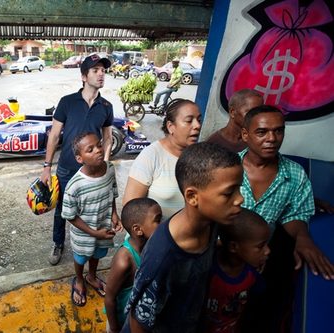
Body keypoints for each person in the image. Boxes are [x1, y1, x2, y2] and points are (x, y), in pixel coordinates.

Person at [122, 142, 244, 333]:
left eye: (239, 189)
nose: (240, 199)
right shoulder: (163, 257)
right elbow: (139, 322)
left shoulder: (212, 222)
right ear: (192, 196)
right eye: (229, 193)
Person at [238, 105, 334, 332]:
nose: (272, 138)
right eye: (262, 132)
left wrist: (302, 236)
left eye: (278, 131)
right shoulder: (227, 167)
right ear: (245, 135)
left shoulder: (295, 174)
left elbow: (295, 215)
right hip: (222, 260)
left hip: (263, 264)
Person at [40, 54, 114, 266]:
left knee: (93, 208)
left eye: (103, 71)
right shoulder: (67, 102)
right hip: (66, 168)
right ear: (84, 76)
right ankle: (58, 242)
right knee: (63, 210)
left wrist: (105, 164)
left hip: (93, 171)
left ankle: (88, 245)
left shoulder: (106, 106)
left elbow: (107, 138)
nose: (101, 74)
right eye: (95, 70)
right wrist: (47, 167)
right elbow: (54, 136)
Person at [61, 132, 121, 307]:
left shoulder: (109, 168)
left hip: (103, 227)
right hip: (84, 234)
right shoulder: (75, 186)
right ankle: (79, 279)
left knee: (97, 254)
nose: (98, 150)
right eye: (91, 149)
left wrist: (114, 214)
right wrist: (94, 233)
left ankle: (92, 276)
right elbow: (70, 215)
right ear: (80, 158)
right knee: (81, 258)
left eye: (99, 145)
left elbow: (112, 192)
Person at [122, 98, 201, 219]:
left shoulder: (200, 157)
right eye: (189, 121)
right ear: (170, 126)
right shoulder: (151, 156)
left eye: (199, 120)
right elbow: (130, 210)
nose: (197, 125)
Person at [203, 208, 270, 333]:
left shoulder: (253, 276)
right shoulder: (206, 268)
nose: (267, 251)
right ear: (234, 247)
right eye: (260, 246)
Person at [105, 198, 161, 333]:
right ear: (138, 229)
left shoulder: (151, 247)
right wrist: (114, 328)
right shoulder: (124, 261)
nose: (162, 225)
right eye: (157, 220)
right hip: (121, 320)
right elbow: (109, 298)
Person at [206, 89, 263, 153]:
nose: (256, 117)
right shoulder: (214, 143)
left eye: (259, 112)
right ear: (232, 112)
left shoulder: (258, 141)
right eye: (250, 112)